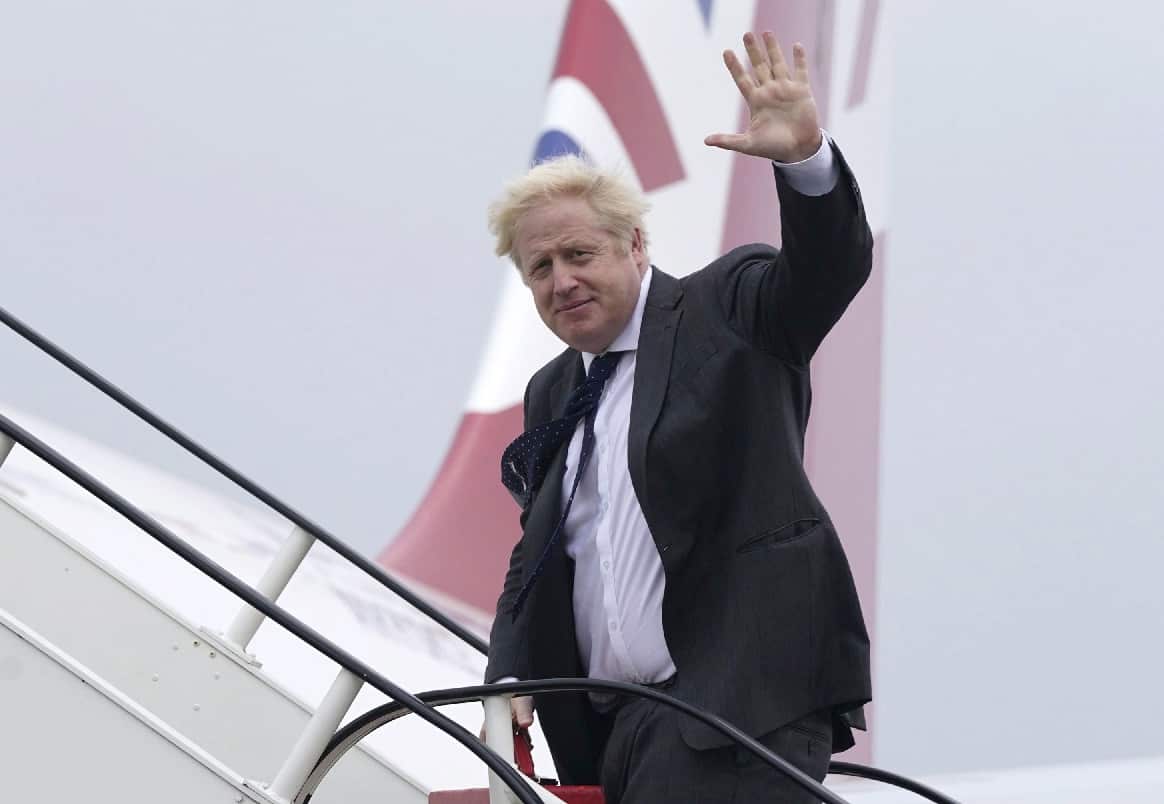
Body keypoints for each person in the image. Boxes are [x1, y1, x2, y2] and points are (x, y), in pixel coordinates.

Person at [484, 31, 872, 803]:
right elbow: (539, 558)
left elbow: (826, 273)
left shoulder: (726, 306)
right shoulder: (554, 392)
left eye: (579, 255)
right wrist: (508, 676)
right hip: (615, 733)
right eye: (540, 269)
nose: (561, 282)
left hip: (737, 711)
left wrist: (804, 162)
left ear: (635, 244)